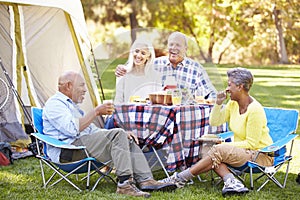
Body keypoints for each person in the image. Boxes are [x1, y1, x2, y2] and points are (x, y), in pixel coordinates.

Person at [42, 71, 176, 198]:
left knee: (124, 136)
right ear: (69, 86)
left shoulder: (71, 106)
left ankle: (146, 180)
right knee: (118, 134)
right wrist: (95, 112)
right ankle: (124, 185)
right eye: (81, 85)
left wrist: (122, 134)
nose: (85, 89)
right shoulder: (55, 105)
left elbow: (92, 132)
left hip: (83, 146)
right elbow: (72, 130)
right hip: (69, 152)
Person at [158, 67, 274, 196]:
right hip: (242, 151)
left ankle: (179, 178)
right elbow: (214, 122)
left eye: (230, 85)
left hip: (259, 156)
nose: (227, 88)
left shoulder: (255, 110)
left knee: (218, 150)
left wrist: (223, 145)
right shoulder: (233, 103)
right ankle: (231, 181)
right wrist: (218, 103)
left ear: (240, 87)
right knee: (210, 148)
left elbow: (252, 144)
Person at [115, 31, 217, 100]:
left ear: (185, 49)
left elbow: (211, 94)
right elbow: (137, 64)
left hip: (185, 114)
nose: (174, 48)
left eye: (178, 45)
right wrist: (122, 68)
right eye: (171, 44)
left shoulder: (195, 69)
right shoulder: (156, 64)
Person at [114, 39, 162, 104]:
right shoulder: (123, 73)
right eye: (136, 51)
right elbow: (117, 102)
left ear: (148, 57)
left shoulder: (156, 76)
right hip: (127, 112)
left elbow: (158, 102)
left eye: (143, 53)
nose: (138, 55)